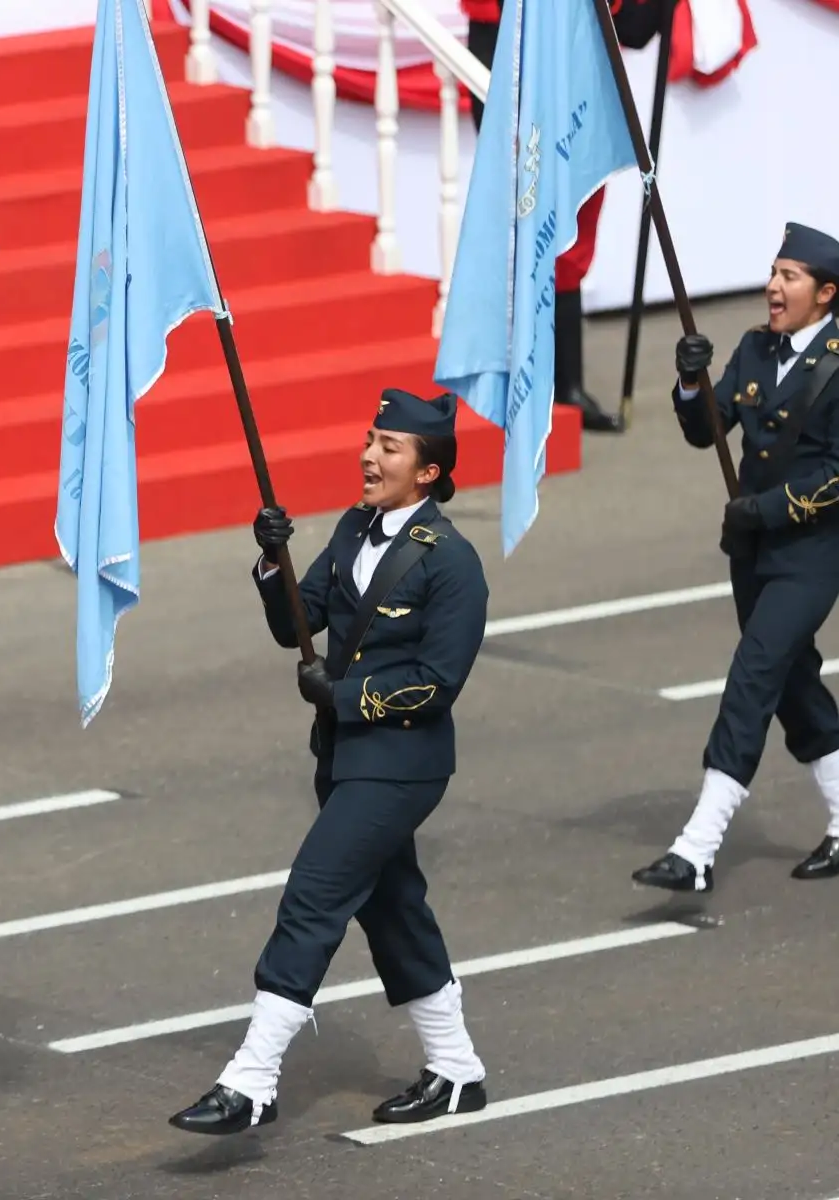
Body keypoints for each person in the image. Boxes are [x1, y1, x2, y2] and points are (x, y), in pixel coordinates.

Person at [168, 389, 492, 1136]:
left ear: (429, 471)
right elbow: (297, 623)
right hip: (342, 757)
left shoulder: (453, 565)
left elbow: (438, 684)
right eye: (370, 439)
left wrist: (344, 697)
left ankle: (251, 1080)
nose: (369, 456)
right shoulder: (354, 527)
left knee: (315, 895)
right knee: (392, 907)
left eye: (389, 447)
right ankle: (456, 1069)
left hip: (400, 763)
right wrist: (269, 557)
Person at [633, 222, 839, 892]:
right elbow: (707, 432)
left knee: (754, 674)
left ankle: (697, 849)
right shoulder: (755, 349)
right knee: (793, 685)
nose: (774, 288)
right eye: (773, 272)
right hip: (750, 550)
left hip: (811, 552)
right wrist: (691, 381)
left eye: (790, 277)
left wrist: (770, 509)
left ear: (826, 293)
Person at [461, 0, 623, 434]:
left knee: (573, 244)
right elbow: (487, 40)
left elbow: (632, 28)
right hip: (526, 108)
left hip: (585, 100)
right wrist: (502, 122)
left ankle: (567, 384)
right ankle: (516, 384)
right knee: (525, 243)